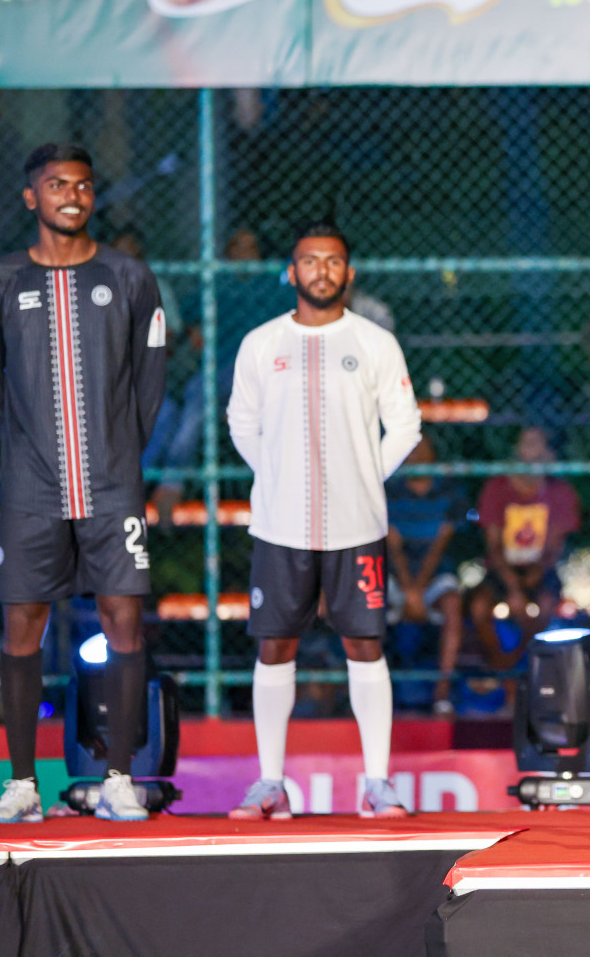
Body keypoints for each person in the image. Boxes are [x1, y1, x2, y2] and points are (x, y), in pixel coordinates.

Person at [225, 221, 422, 819]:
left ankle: (378, 785)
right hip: (278, 528)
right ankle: (269, 785)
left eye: (332, 260)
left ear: (349, 272)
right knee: (274, 645)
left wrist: (363, 476)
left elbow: (407, 425)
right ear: (291, 271)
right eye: (309, 260)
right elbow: (242, 422)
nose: (321, 270)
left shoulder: (374, 342)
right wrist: (277, 476)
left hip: (356, 525)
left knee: (365, 645)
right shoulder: (262, 343)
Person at [0, 143, 167, 823]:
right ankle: (21, 784)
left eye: (84, 185)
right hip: (30, 489)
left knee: (124, 621)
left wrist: (124, 457)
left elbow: (149, 383)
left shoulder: (129, 276)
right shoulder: (5, 279)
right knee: (20, 628)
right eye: (57, 184)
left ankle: (120, 778)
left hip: (111, 485)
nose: (72, 194)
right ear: (30, 197)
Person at [385, 435, 469, 715]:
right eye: (411, 451)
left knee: (453, 606)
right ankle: (377, 694)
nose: (417, 456)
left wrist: (418, 591)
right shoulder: (390, 491)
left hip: (434, 576)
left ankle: (441, 694)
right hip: (397, 576)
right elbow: (392, 546)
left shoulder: (449, 493)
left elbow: (440, 544)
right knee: (364, 605)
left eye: (423, 449)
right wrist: (409, 590)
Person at [469, 427, 580, 628]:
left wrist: (528, 582)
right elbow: (493, 545)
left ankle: (533, 656)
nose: (534, 453)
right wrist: (513, 586)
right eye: (528, 444)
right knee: (480, 606)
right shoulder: (497, 488)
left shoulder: (560, 491)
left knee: (546, 606)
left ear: (550, 453)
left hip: (540, 570)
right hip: (502, 568)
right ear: (516, 449)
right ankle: (502, 659)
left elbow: (554, 548)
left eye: (539, 445)